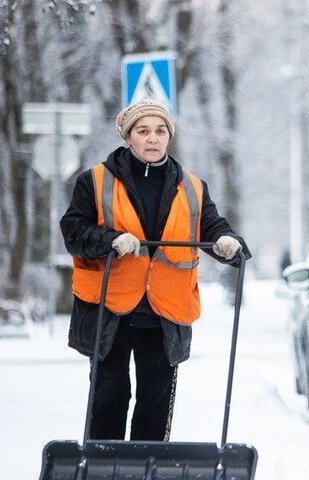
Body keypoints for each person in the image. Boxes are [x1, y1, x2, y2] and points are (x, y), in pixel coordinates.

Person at [59, 99, 250, 442]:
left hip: (164, 311)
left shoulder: (192, 187)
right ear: (128, 136)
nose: (152, 139)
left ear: (169, 137)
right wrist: (111, 240)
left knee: (156, 398)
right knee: (109, 394)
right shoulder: (95, 181)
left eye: (160, 131)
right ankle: (105, 460)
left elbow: (213, 226)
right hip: (110, 308)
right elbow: (73, 231)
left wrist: (228, 242)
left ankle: (149, 463)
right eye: (143, 131)